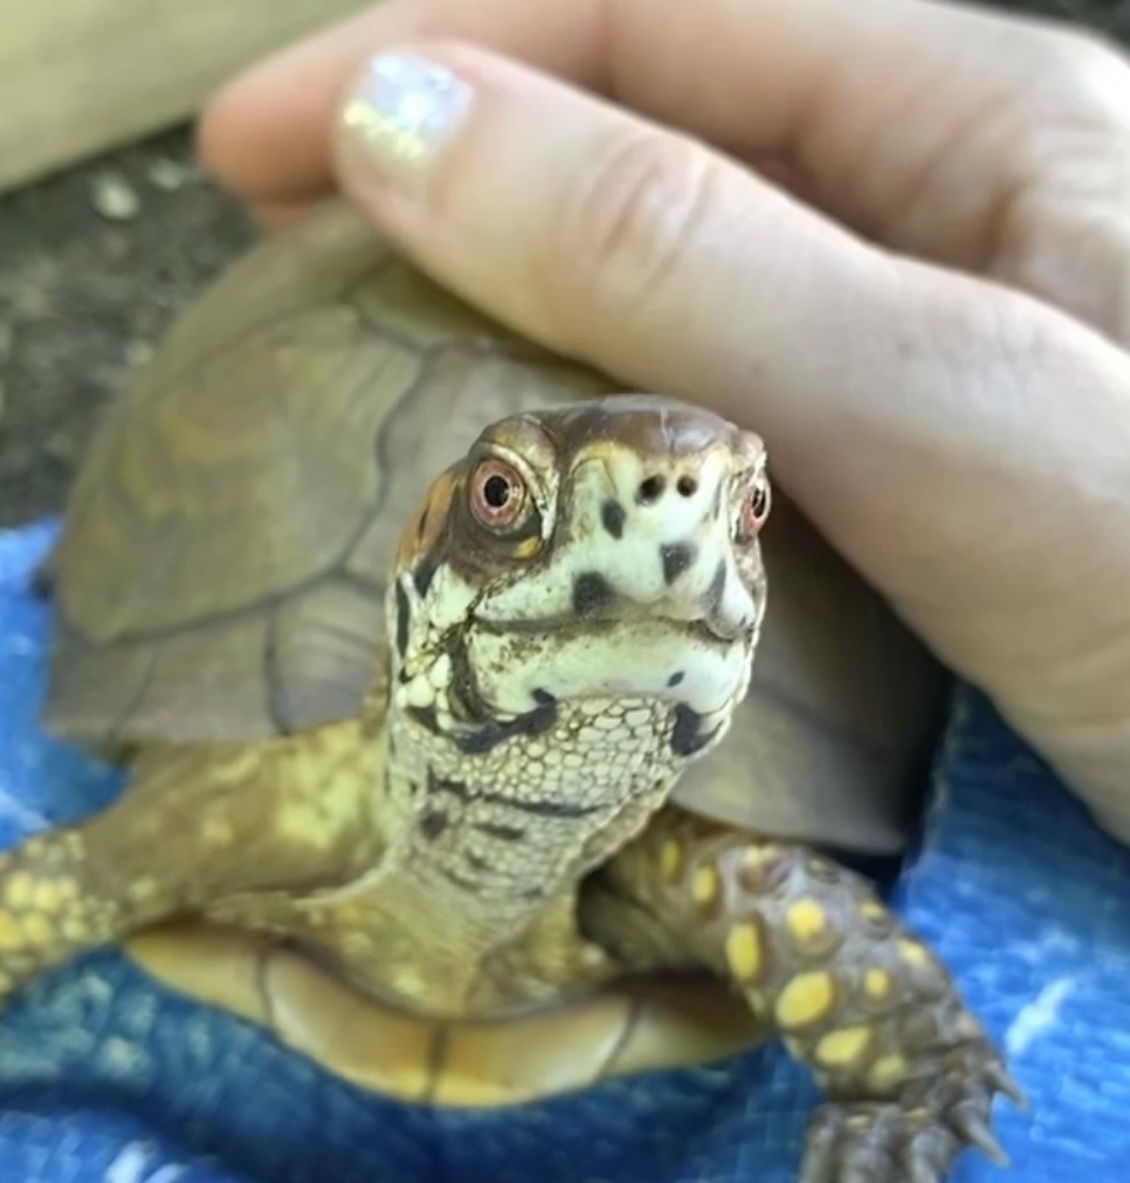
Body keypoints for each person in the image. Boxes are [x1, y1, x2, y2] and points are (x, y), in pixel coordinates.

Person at [195, 0, 1130, 848]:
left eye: (744, 510)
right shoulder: (276, 788)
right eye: (503, 500)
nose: (666, 528)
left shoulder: (711, 867)